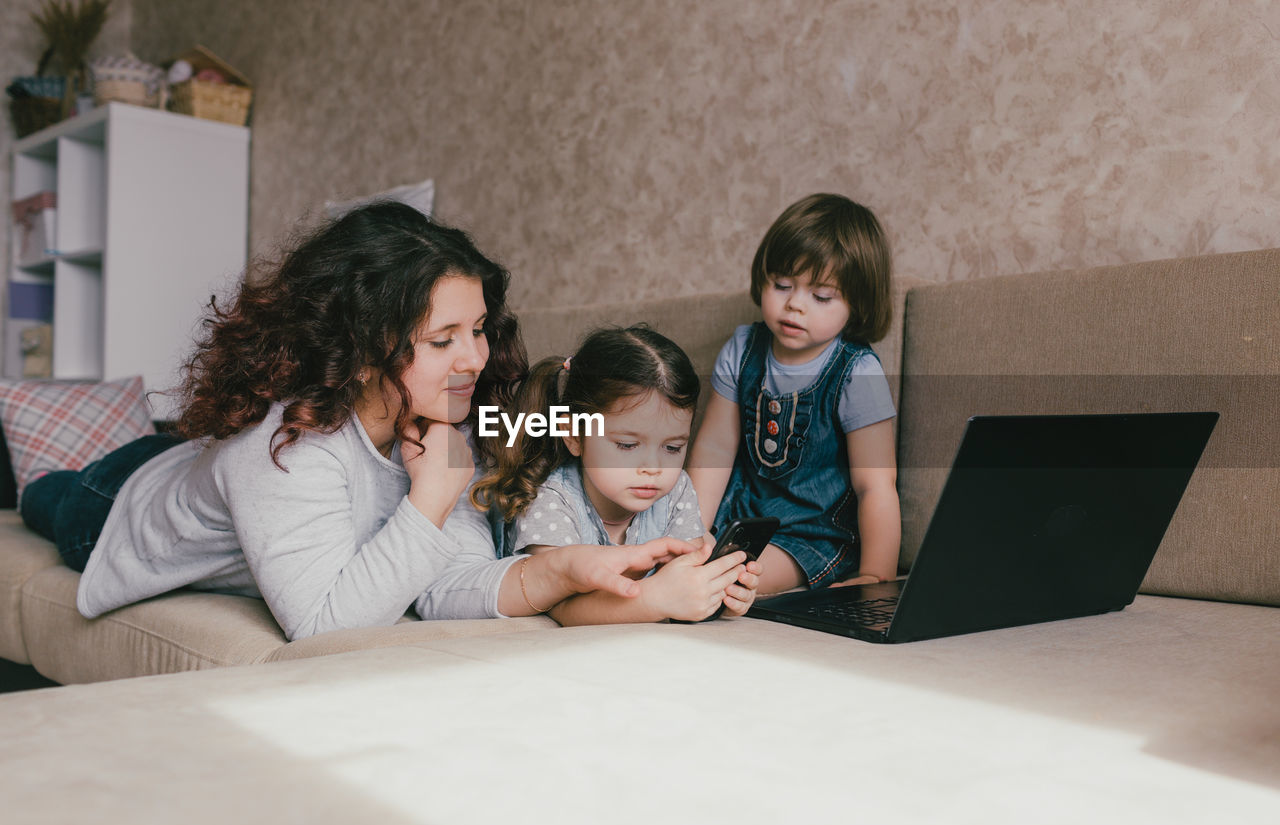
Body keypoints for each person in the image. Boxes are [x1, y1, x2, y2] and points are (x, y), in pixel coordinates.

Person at [20, 202, 695, 640]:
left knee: (188, 452)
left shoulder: (446, 426)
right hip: (116, 498)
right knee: (44, 494)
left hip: (204, 468)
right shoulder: (286, 446)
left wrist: (566, 569)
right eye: (443, 340)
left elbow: (442, 585)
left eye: (481, 329)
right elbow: (324, 625)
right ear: (365, 343)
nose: (474, 358)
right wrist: (430, 498)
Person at [469, 326, 759, 625]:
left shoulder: (676, 491)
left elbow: (687, 577)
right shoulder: (552, 499)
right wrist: (656, 600)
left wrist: (719, 593)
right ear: (574, 435)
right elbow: (563, 608)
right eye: (628, 445)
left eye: (672, 448)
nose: (653, 467)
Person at [687, 193, 901, 595]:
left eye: (821, 296)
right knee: (678, 561)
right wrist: (691, 533)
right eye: (782, 284)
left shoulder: (857, 371)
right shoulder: (743, 348)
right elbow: (714, 449)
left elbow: (875, 485)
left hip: (812, 537)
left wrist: (875, 576)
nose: (794, 305)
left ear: (857, 305)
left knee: (728, 578)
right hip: (738, 519)